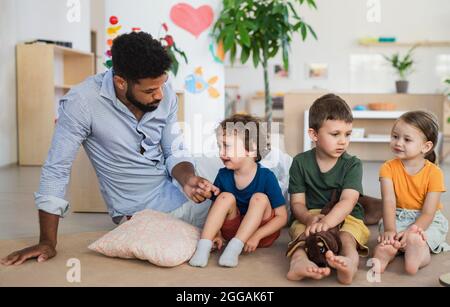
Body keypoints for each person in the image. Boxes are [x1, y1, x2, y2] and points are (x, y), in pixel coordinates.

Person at [1, 32, 218, 266]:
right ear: (121, 82)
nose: (160, 95)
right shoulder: (82, 102)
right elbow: (57, 169)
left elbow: (173, 149)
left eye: (162, 85)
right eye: (149, 91)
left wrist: (187, 179)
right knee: (241, 204)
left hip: (180, 185)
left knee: (248, 172)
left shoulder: (160, 89)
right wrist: (47, 241)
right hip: (148, 208)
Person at [286, 94, 370, 285]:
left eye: (347, 134)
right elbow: (297, 203)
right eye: (335, 134)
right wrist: (308, 218)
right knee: (301, 233)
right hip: (312, 213)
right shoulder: (300, 162)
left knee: (347, 237)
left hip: (347, 214)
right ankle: (298, 262)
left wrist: (329, 222)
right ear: (314, 135)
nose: (343, 141)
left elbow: (348, 201)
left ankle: (349, 263)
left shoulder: (353, 164)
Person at [189, 114, 288, 268]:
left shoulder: (267, 176)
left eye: (226, 146)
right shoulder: (223, 175)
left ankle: (234, 248)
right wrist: (217, 234)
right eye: (219, 146)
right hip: (233, 231)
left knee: (260, 198)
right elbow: (215, 210)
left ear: (251, 148)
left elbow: (282, 217)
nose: (221, 153)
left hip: (261, 234)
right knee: (225, 197)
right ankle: (204, 247)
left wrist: (257, 235)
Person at [373, 111, 449, 275]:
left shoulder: (435, 173)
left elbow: (429, 212)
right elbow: (389, 202)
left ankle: (418, 253)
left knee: (421, 238)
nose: (398, 143)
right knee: (389, 238)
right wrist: (390, 230)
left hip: (427, 220)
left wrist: (414, 230)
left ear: (426, 146)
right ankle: (386, 252)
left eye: (407, 139)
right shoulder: (387, 168)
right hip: (398, 216)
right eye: (395, 136)